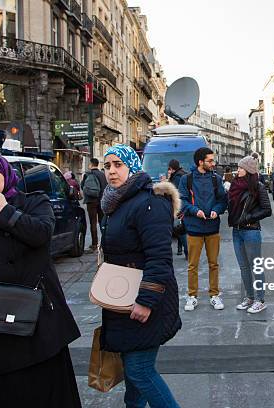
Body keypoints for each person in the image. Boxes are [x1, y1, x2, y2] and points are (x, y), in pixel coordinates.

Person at [0, 154, 81, 407]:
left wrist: (3, 209)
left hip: (36, 328)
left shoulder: (34, 203)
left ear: (6, 176)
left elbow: (41, 235)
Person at [100, 145, 182, 407]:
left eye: (118, 165)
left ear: (132, 167)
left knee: (139, 370)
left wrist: (146, 300)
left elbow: (159, 258)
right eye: (107, 166)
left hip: (146, 300)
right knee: (133, 372)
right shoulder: (117, 201)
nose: (112, 171)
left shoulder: (150, 202)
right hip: (124, 300)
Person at [179, 147, 228, 312]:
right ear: (201, 162)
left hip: (213, 228)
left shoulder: (217, 179)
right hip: (194, 228)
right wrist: (195, 211)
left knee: (214, 264)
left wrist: (217, 209)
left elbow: (223, 200)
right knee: (193, 265)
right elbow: (182, 201)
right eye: (210, 161)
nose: (213, 163)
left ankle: (214, 295)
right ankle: (192, 296)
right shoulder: (186, 179)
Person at [228, 155, 271, 313]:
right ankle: (249, 297)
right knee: (244, 267)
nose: (237, 170)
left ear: (247, 170)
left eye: (240, 168)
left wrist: (249, 217)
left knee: (255, 267)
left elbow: (267, 210)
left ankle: (260, 299)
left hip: (251, 231)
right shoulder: (235, 185)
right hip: (237, 231)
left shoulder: (258, 187)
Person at [82, 158, 108, 252]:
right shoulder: (103, 174)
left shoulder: (88, 175)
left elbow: (83, 187)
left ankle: (94, 244)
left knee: (93, 222)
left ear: (91, 164)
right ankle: (105, 242)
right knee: (102, 222)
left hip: (91, 202)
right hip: (102, 201)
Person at [168, 159, 188, 257]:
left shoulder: (176, 177)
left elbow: (172, 191)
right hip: (183, 204)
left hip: (178, 206)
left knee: (179, 228)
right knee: (180, 228)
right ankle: (182, 249)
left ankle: (187, 251)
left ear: (171, 168)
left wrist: (167, 181)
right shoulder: (183, 174)